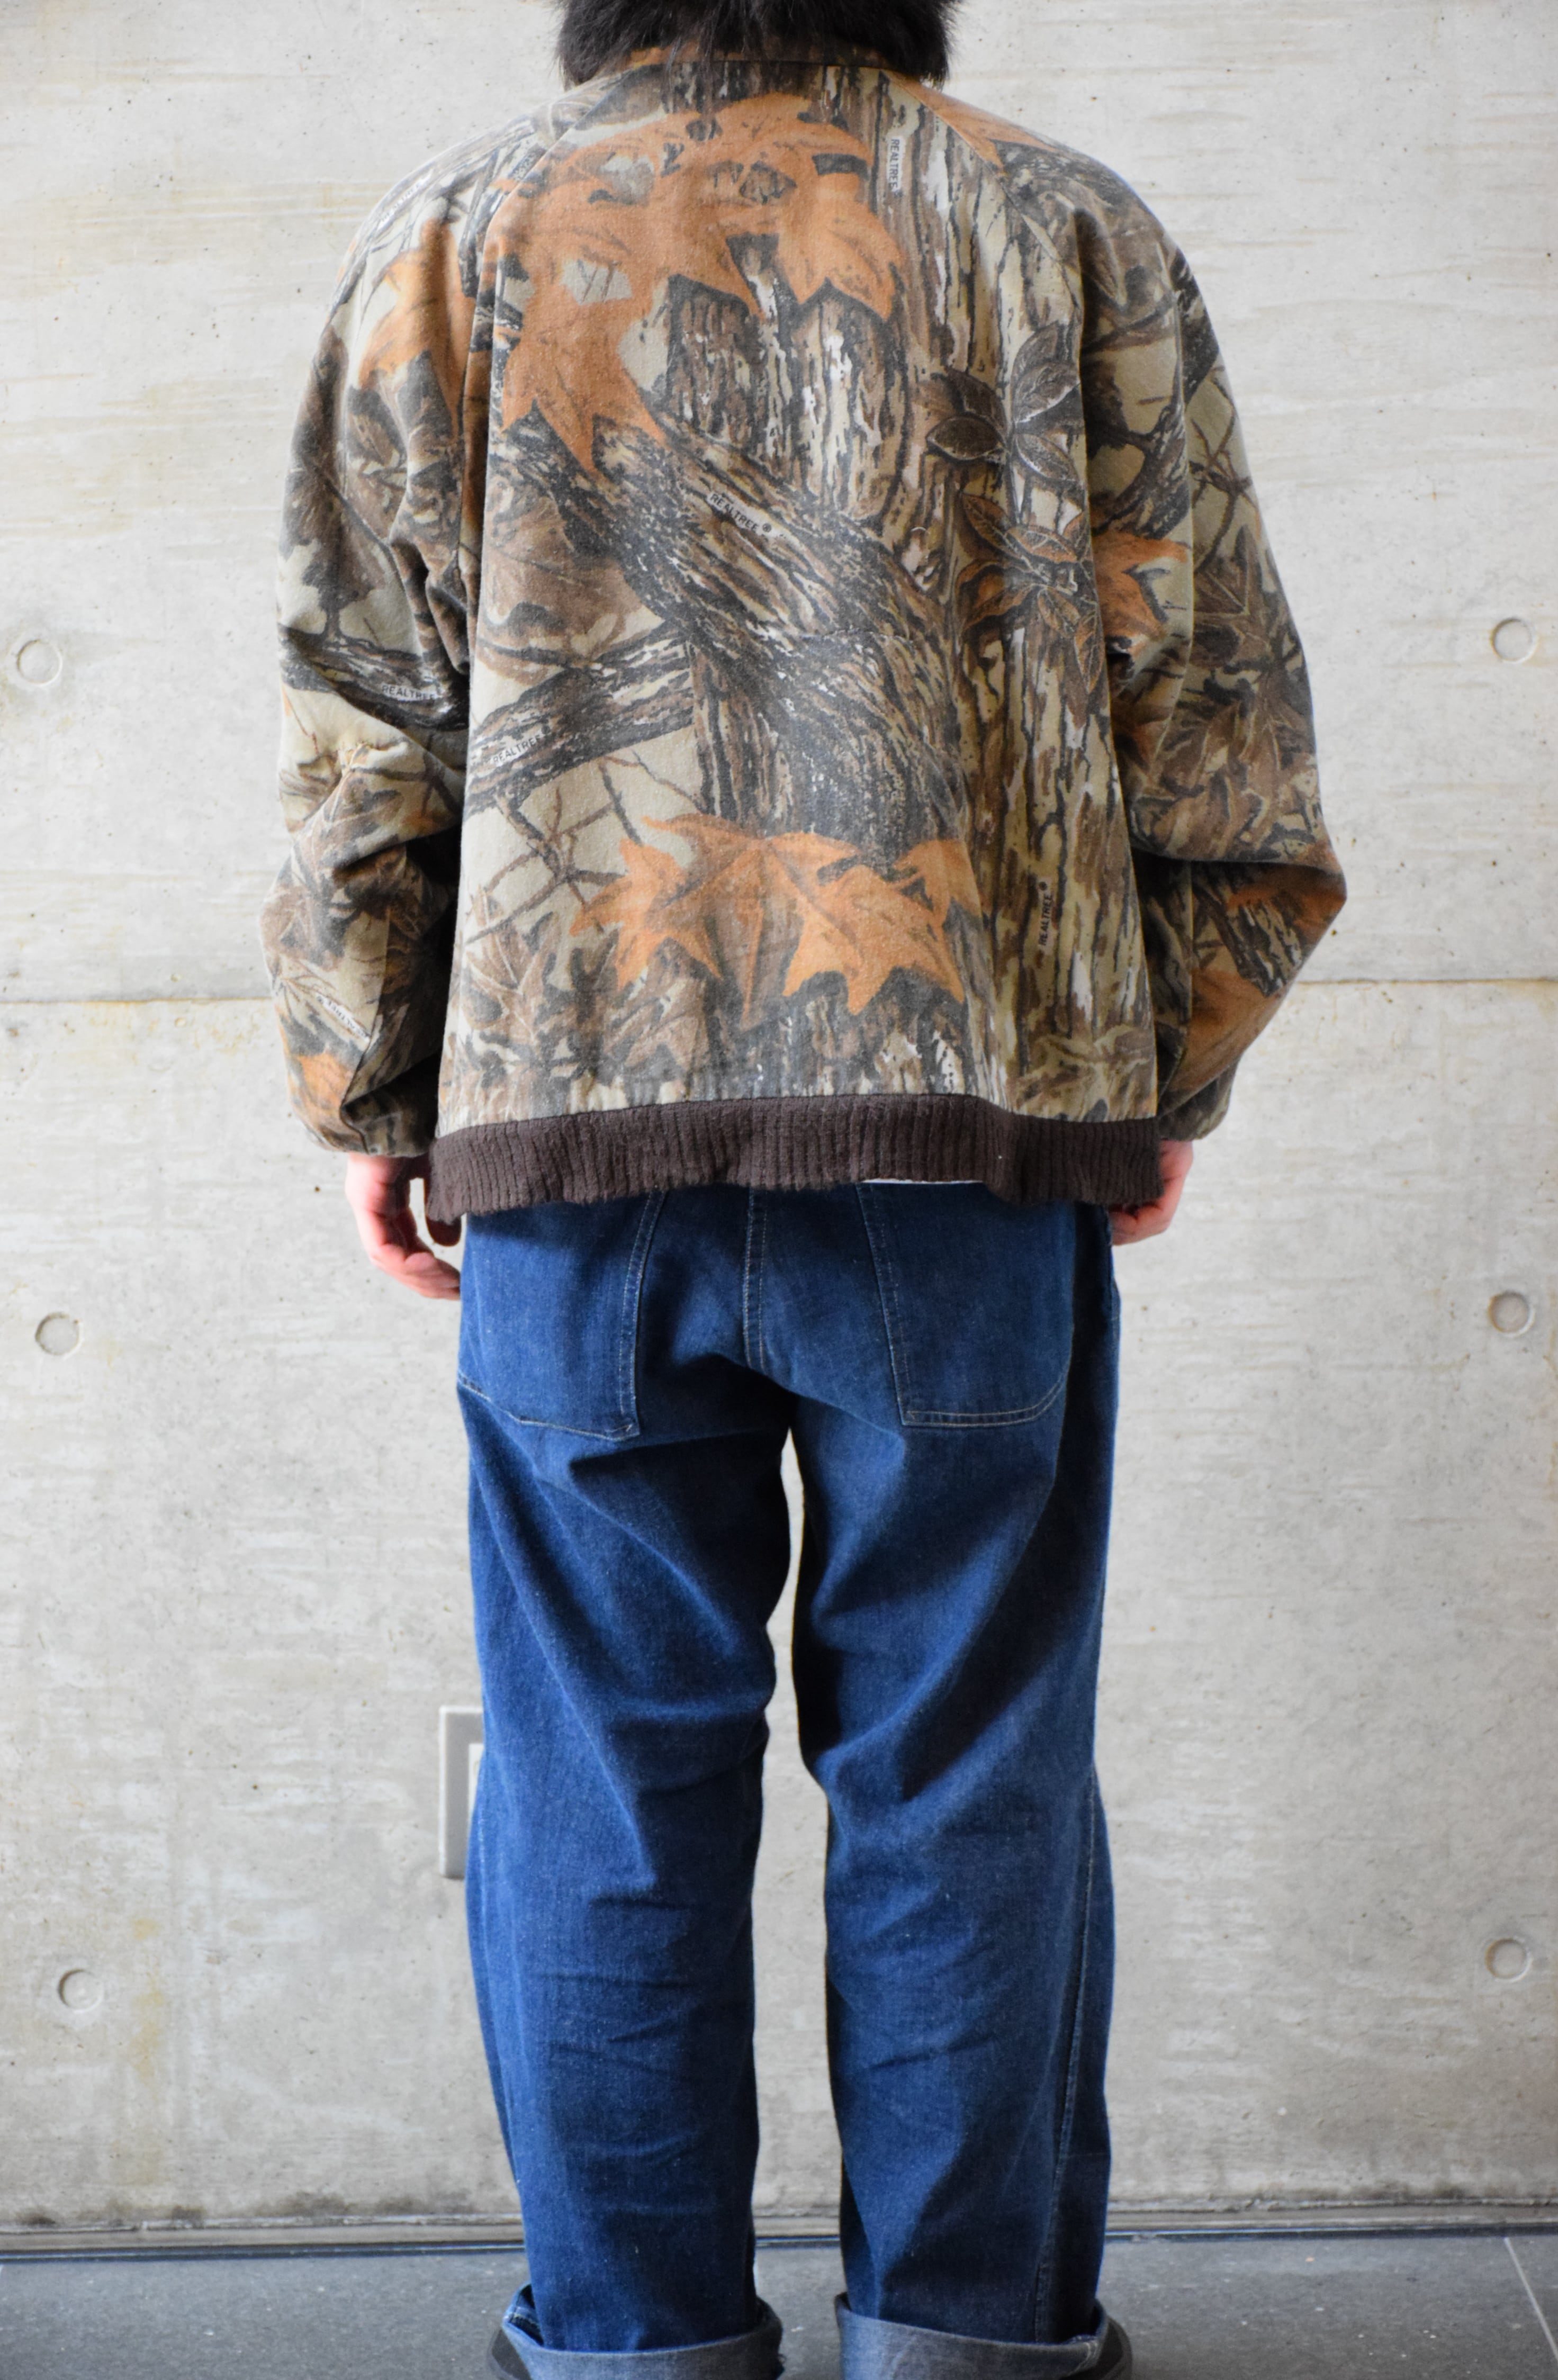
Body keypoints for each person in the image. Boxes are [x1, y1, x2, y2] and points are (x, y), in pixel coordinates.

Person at [262, 2, 1344, 2373]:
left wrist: (379, 1089)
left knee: (598, 1775)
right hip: (966, 1127)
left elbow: (367, 724)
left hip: (575, 1136)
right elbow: (1218, 707)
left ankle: (631, 2345)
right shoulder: (1059, 226)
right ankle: (962, 2340)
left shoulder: (457, 236)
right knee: (966, 1763)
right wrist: (1154, 1070)